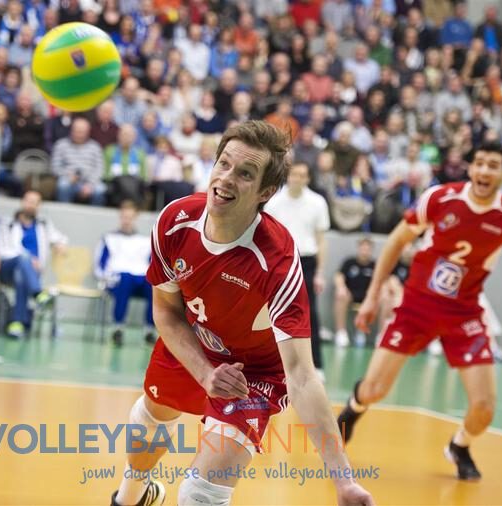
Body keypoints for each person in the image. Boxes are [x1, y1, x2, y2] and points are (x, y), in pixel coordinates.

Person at [111, 121, 374, 506]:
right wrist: (205, 373)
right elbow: (166, 311)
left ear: (265, 192)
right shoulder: (174, 222)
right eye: (224, 164)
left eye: (245, 173)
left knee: (199, 494)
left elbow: (302, 375)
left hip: (253, 374)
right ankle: (132, 496)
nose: (226, 179)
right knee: (151, 420)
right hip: (194, 342)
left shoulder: (277, 260)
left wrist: (344, 481)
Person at [337, 141, 502, 480]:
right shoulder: (440, 198)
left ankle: (459, 446)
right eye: (479, 163)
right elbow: (397, 242)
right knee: (375, 390)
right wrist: (372, 297)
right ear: (470, 168)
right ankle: (353, 409)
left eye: (493, 165)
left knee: (484, 409)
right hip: (416, 306)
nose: (484, 171)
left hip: (465, 314)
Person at [264, 162, 330, 380]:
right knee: (273, 312)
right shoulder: (274, 202)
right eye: (294, 174)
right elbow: (266, 237)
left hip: (306, 261)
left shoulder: (317, 202)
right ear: (288, 176)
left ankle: (316, 365)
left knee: (309, 313)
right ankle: (274, 364)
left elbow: (321, 240)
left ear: (308, 179)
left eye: (302, 175)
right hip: (279, 261)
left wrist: (320, 272)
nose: (297, 178)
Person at [0, 190, 67, 338]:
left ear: (39, 206)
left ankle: (17, 323)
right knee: (23, 258)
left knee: (21, 276)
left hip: (28, 273)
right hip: (7, 269)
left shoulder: (44, 225)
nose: (31, 205)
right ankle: (38, 293)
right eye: (29, 201)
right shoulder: (7, 223)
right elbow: (3, 250)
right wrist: (27, 258)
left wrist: (60, 244)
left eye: (35, 203)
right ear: (22, 202)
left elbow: (60, 238)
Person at [94, 200, 154, 347]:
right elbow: (99, 265)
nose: (127, 220)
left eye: (130, 217)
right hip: (117, 280)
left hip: (139, 279)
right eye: (124, 217)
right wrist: (106, 277)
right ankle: (118, 328)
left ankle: (149, 330)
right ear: (120, 217)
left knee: (154, 286)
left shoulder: (144, 241)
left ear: (135, 218)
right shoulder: (108, 238)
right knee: (125, 279)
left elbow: (151, 265)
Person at [332, 238, 376, 347]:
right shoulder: (349, 262)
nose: (365, 251)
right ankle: (341, 333)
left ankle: (365, 331)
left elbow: (383, 280)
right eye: (363, 248)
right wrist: (341, 287)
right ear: (359, 248)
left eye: (367, 249)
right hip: (350, 295)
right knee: (340, 296)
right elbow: (338, 276)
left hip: (368, 297)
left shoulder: (375, 265)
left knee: (383, 299)